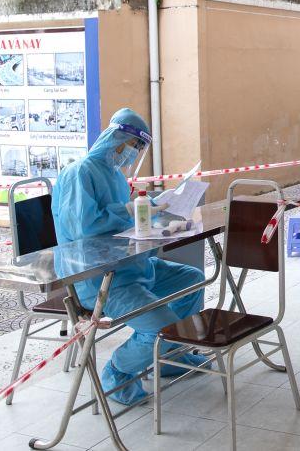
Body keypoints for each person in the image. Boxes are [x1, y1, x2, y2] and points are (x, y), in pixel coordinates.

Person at [52, 107, 207, 405]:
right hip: (98, 278)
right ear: (116, 138)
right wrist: (126, 210)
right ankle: (116, 373)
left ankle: (172, 357)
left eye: (138, 149)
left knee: (192, 279)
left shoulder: (115, 176)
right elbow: (83, 227)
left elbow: (127, 221)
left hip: (133, 266)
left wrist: (155, 210)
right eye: (133, 146)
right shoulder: (80, 172)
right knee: (161, 329)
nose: (133, 155)